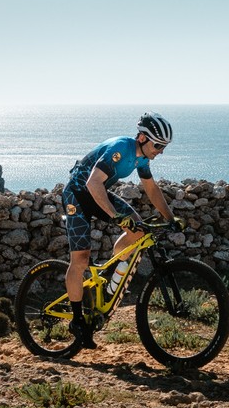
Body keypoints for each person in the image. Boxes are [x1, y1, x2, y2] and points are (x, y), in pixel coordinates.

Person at [60, 111, 179, 348]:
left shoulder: (142, 158)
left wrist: (171, 218)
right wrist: (117, 218)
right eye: (158, 145)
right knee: (81, 259)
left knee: (140, 232)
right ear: (143, 139)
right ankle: (77, 320)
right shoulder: (121, 148)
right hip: (78, 195)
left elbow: (152, 189)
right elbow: (92, 182)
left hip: (98, 195)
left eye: (164, 147)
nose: (161, 151)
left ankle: (108, 275)